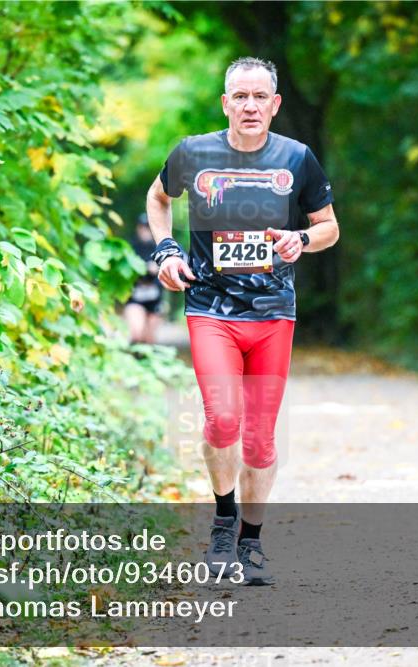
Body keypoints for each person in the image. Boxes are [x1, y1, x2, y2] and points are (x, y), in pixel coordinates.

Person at [145, 56, 339, 585]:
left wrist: (301, 238)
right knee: (223, 419)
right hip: (211, 307)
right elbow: (158, 198)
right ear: (225, 103)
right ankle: (223, 523)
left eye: (259, 97)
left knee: (260, 439)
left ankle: (251, 543)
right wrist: (166, 251)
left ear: (275, 105)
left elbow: (329, 227)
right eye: (240, 96)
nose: (250, 106)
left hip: (274, 312)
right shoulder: (193, 152)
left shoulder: (297, 158)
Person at [124, 214, 164, 344]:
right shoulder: (130, 248)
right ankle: (133, 354)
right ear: (138, 228)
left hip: (154, 299)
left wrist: (159, 269)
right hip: (135, 297)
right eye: (143, 227)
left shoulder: (161, 248)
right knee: (136, 333)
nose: (145, 230)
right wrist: (145, 268)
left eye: (148, 227)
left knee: (149, 339)